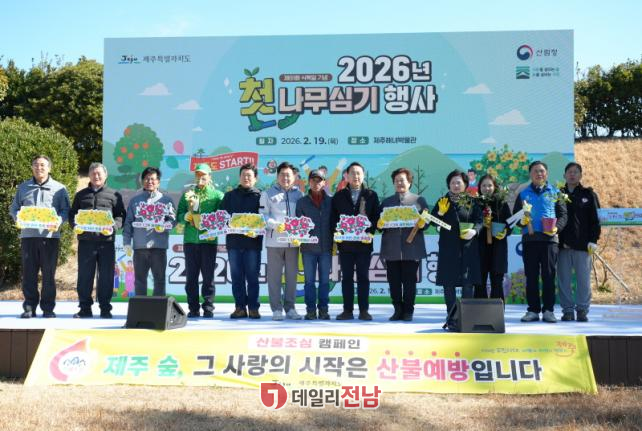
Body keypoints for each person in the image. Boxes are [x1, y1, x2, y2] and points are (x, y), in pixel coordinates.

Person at [10, 155, 70, 318]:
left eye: (43, 165)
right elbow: (14, 208)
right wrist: (18, 219)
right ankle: (29, 307)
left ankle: (48, 308)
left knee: (48, 274)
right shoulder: (23, 187)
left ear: (49, 168)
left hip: (50, 238)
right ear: (32, 168)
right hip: (28, 237)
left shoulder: (59, 188)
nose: (39, 168)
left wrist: (59, 221)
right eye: (36, 165)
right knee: (29, 273)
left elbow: (66, 210)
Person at [69, 162, 126, 319]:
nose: (96, 176)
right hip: (86, 242)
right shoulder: (81, 195)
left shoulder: (114, 195)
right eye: (93, 173)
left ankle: (105, 308)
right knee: (85, 276)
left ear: (105, 175)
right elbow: (72, 214)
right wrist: (75, 225)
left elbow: (120, 216)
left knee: (106, 276)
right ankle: (85, 308)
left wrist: (113, 227)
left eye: (99, 173)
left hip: (106, 242)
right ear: (89, 175)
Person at [513, 161, 568, 323]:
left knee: (549, 276)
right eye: (535, 171)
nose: (539, 174)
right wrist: (523, 221)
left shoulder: (555, 192)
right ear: (530, 174)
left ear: (547, 173)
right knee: (531, 276)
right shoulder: (523, 194)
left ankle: (549, 310)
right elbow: (516, 217)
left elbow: (563, 215)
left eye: (542, 171)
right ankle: (533, 310)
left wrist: (556, 228)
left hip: (550, 241)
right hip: (530, 240)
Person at [431, 169, 482, 330]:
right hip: (448, 248)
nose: (455, 185)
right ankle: (452, 318)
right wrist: (439, 213)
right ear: (449, 185)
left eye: (458, 182)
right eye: (452, 182)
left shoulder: (472, 201)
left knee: (468, 283)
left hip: (468, 248)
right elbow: (432, 221)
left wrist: (475, 231)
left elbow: (479, 220)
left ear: (465, 184)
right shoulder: (443, 201)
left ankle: (467, 318)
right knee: (449, 284)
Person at [378, 168, 428, 321]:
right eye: (397, 180)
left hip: (411, 248)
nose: (400, 183)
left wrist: (423, 223)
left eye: (403, 180)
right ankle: (397, 309)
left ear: (409, 182)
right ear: (393, 183)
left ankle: (408, 310)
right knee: (393, 282)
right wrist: (379, 224)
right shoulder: (386, 202)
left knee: (409, 282)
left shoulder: (419, 200)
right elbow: (379, 225)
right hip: (391, 248)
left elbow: (427, 222)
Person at [331, 162, 380, 321]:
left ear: (363, 175)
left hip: (364, 245)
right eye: (352, 173)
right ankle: (347, 310)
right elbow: (333, 218)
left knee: (363, 278)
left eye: (359, 173)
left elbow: (376, 217)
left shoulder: (371, 195)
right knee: (346, 278)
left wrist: (370, 233)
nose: (356, 176)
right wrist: (337, 232)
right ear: (347, 176)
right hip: (345, 245)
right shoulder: (339, 196)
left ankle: (364, 310)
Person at [176, 163, 224, 318]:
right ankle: (193, 308)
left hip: (208, 241)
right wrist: (185, 216)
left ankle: (208, 308)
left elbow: (222, 217)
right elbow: (179, 215)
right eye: (197, 175)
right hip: (190, 241)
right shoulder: (188, 194)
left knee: (208, 277)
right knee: (191, 278)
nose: (200, 178)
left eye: (203, 175)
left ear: (210, 176)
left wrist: (212, 224)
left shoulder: (217, 195)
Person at [260, 161, 304, 321]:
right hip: (274, 242)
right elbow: (262, 215)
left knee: (292, 277)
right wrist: (274, 224)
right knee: (274, 277)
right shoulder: (268, 193)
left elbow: (303, 217)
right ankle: (276, 309)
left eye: (288, 175)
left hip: (293, 243)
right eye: (282, 175)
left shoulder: (299, 194)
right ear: (277, 176)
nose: (286, 178)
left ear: (294, 177)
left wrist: (301, 232)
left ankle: (290, 308)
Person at [122, 167, 176, 297]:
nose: (149, 181)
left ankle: (158, 308)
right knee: (139, 281)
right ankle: (141, 307)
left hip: (159, 247)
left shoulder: (166, 200)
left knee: (159, 280)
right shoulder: (135, 201)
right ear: (142, 181)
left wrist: (165, 226)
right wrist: (126, 243)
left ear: (158, 182)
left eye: (152, 179)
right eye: (146, 179)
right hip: (140, 248)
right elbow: (128, 223)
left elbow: (173, 220)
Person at [558, 162, 601, 322]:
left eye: (576, 172)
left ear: (581, 175)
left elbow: (596, 220)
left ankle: (582, 310)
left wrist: (593, 240)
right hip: (562, 245)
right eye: (569, 172)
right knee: (564, 280)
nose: (572, 174)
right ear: (564, 175)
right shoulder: (557, 194)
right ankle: (567, 311)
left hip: (583, 246)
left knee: (583, 280)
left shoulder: (589, 194)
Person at [222, 163, 263, 319]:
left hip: (253, 244)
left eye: (249, 175)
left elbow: (264, 219)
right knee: (237, 277)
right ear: (239, 177)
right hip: (234, 244)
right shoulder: (229, 196)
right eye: (243, 175)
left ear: (255, 178)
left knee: (253, 277)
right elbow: (221, 217)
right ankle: (239, 307)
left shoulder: (260, 196)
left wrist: (257, 227)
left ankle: (253, 308)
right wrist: (229, 223)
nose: (246, 178)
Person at [296, 169, 333, 320]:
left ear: (324, 183)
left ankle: (323, 309)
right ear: (309, 182)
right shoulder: (302, 202)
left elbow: (335, 223)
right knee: (309, 281)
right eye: (313, 180)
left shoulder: (331, 201)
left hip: (326, 248)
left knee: (324, 281)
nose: (316, 183)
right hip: (308, 249)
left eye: (319, 180)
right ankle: (310, 310)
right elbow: (298, 225)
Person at [473, 174, 512, 302]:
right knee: (479, 282)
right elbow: (471, 222)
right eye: (483, 185)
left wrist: (505, 231)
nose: (487, 188)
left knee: (497, 281)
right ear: (479, 188)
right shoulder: (475, 203)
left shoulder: (501, 203)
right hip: (479, 248)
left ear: (495, 187)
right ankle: (480, 311)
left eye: (489, 185)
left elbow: (509, 224)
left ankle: (497, 312)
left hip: (498, 247)